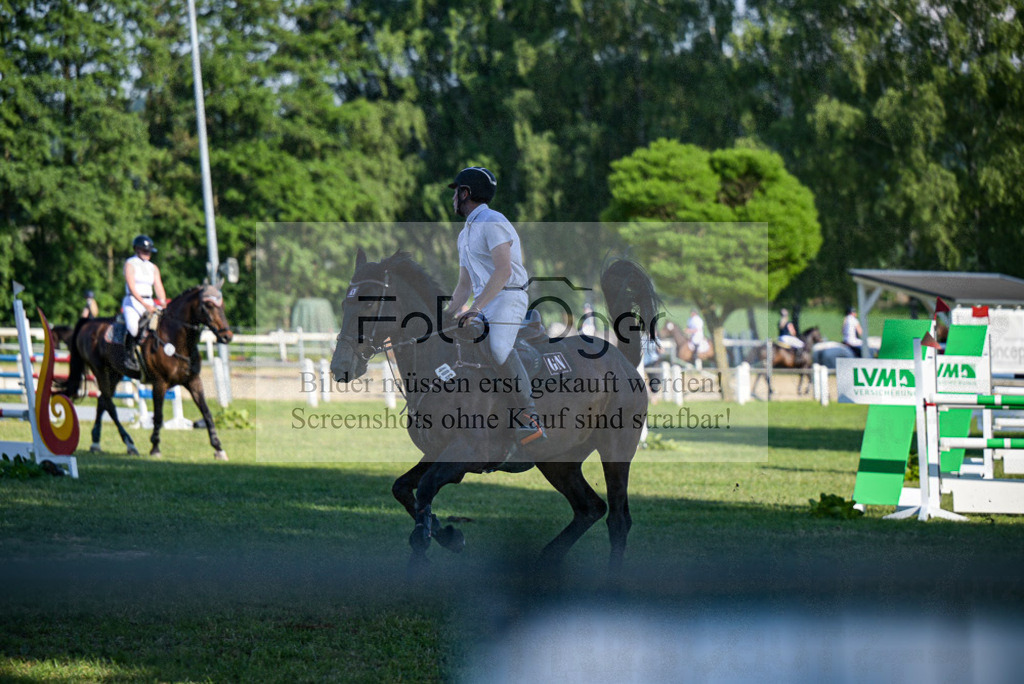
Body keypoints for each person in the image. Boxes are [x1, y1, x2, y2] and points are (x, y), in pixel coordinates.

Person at [446, 166, 545, 446]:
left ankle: (530, 416)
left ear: (465, 193)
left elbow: (502, 271)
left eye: (456, 192)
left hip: (509, 296)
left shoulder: (492, 221)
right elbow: (463, 285)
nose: (453, 198)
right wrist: (447, 315)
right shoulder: (464, 235)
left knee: (499, 347)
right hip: (484, 300)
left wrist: (475, 308)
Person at [122, 235, 167, 371]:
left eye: (148, 251)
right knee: (133, 327)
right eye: (144, 250)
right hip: (133, 301)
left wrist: (163, 301)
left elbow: (158, 286)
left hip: (149, 300)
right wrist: (144, 304)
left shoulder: (153, 267)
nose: (147, 253)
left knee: (163, 325)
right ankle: (129, 356)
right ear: (137, 249)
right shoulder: (130, 263)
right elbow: (131, 286)